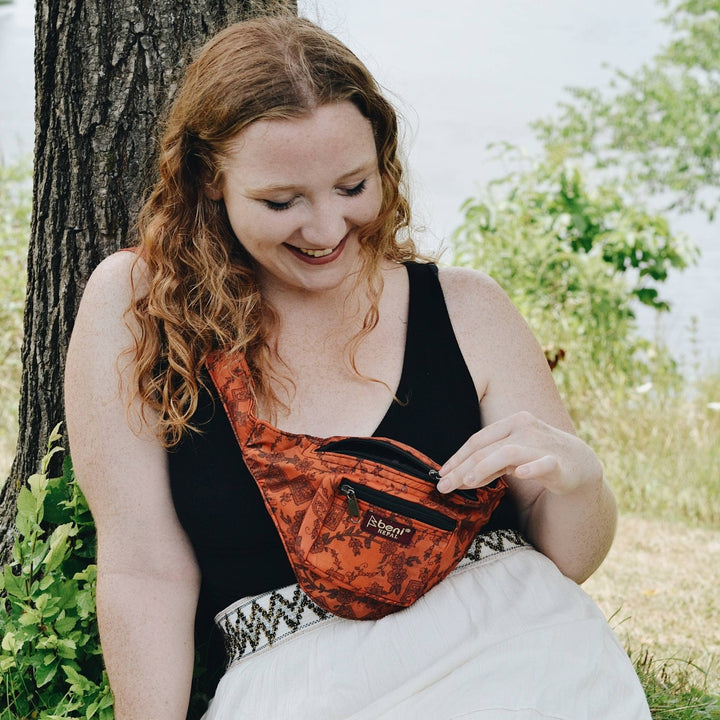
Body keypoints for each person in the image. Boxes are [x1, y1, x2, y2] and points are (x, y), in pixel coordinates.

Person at [64, 14, 652, 720]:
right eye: (281, 202)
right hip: (299, 688)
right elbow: (145, 571)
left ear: (384, 161)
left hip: (526, 657)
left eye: (353, 187)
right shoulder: (136, 306)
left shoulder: (466, 307)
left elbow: (570, 558)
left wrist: (579, 475)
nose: (325, 230)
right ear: (208, 179)